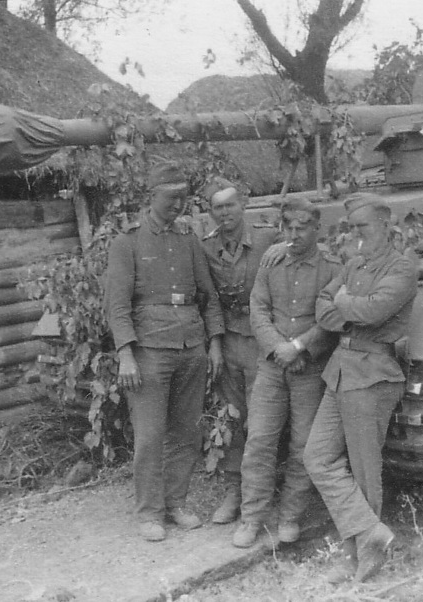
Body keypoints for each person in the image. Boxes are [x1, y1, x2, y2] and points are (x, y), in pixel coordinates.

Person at [105, 161, 224, 542]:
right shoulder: (127, 242)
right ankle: (149, 512)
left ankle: (176, 504)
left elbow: (208, 296)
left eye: (183, 198)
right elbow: (117, 305)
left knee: (186, 432)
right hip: (149, 350)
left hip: (191, 347)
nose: (178, 205)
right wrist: (126, 353)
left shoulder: (188, 240)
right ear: (151, 196)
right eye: (171, 198)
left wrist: (215, 343)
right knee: (150, 436)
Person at [303, 193, 418, 582]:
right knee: (317, 457)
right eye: (351, 228)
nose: (356, 235)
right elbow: (323, 304)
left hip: (372, 374)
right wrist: (349, 308)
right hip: (341, 370)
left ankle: (361, 556)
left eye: (363, 227)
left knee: (365, 471)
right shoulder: (353, 264)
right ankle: (370, 533)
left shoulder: (402, 268)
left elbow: (374, 311)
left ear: (385, 226)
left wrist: (345, 304)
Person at [232, 197, 341, 548]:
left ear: (317, 228)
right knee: (259, 441)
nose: (294, 234)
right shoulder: (272, 262)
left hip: (309, 368)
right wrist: (279, 348)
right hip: (271, 367)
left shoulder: (332, 268)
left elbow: (333, 319)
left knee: (302, 445)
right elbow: (258, 309)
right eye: (288, 227)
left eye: (302, 228)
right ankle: (252, 517)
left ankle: (290, 516)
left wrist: (298, 347)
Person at [202, 178, 280, 524]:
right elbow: (209, 299)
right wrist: (215, 343)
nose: (225, 213)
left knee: (261, 423)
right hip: (230, 341)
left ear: (243, 205)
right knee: (232, 418)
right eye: (217, 208)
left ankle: (260, 494)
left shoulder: (268, 239)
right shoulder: (207, 247)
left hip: (262, 340)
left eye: (230, 205)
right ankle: (235, 490)